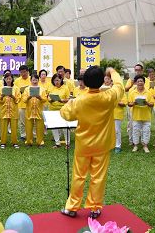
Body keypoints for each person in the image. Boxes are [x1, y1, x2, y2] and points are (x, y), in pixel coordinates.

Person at [60, 67, 124, 219]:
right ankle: (95, 208)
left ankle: (72, 207)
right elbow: (120, 86)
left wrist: (71, 102)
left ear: (85, 82)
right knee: (98, 177)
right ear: (102, 81)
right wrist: (113, 72)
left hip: (83, 145)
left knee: (78, 176)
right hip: (102, 145)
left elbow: (64, 114)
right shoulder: (109, 96)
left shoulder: (80, 100)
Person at [127, 75, 154, 153]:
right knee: (135, 130)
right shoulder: (132, 93)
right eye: (138, 81)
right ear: (136, 83)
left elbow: (152, 104)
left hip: (146, 116)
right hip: (136, 115)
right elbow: (129, 104)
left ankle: (145, 145)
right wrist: (134, 103)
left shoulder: (148, 93)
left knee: (146, 131)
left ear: (144, 83)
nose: (140, 82)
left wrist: (147, 103)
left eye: (141, 81)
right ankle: (135, 145)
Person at [23, 73, 48, 147]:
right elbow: (24, 100)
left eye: (36, 80)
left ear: (38, 80)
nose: (35, 81)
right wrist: (28, 97)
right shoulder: (27, 89)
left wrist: (40, 98)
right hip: (29, 111)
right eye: (33, 80)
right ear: (31, 80)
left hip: (39, 111)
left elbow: (45, 99)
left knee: (40, 127)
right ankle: (28, 142)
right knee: (28, 127)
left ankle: (40, 142)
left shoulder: (42, 89)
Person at [0, 72, 20, 148]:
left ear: (12, 79)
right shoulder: (1, 88)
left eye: (10, 78)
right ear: (5, 79)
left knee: (14, 127)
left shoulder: (16, 88)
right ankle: (3, 142)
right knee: (3, 127)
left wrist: (12, 96)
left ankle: (14, 142)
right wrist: (2, 96)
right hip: (4, 111)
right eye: (7, 79)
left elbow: (18, 100)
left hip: (13, 111)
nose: (8, 80)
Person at [49, 73, 71, 148]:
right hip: (53, 109)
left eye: (58, 80)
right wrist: (51, 100)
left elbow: (68, 99)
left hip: (63, 109)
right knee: (54, 127)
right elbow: (48, 98)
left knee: (65, 126)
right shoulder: (52, 88)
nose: (56, 82)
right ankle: (57, 143)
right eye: (55, 80)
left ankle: (67, 143)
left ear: (61, 80)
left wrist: (62, 100)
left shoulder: (65, 88)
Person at [15, 65, 31, 141]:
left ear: (28, 72)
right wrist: (20, 92)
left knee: (32, 120)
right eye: (21, 72)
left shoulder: (31, 79)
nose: (23, 73)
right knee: (22, 121)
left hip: (31, 103)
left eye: (24, 72)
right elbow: (15, 91)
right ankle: (23, 135)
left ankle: (32, 135)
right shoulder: (17, 81)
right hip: (21, 104)